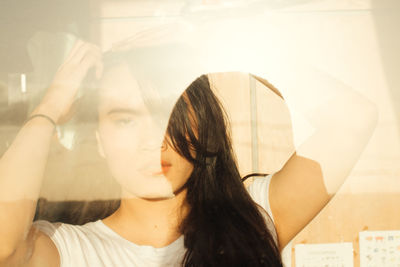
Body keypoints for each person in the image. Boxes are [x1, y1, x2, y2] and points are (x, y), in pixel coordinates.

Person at [0, 39, 377, 267]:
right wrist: (50, 107)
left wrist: (224, 47)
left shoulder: (254, 216)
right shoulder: (68, 252)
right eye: (125, 119)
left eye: (169, 114)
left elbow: (353, 118)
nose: (154, 140)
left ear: (202, 124)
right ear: (98, 138)